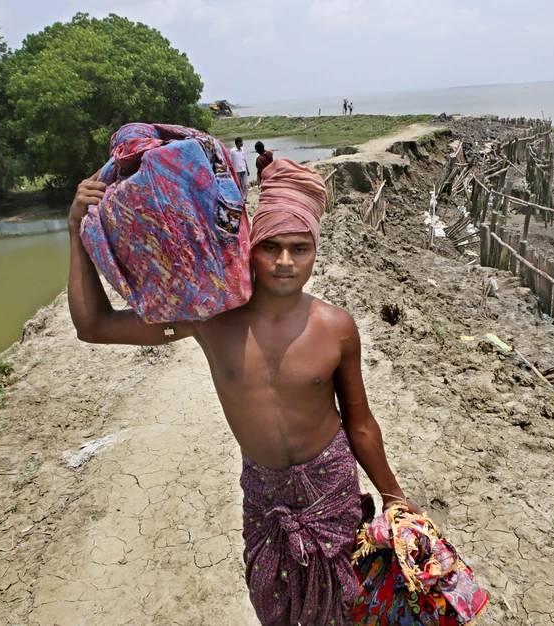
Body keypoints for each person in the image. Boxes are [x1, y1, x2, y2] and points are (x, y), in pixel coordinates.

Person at [67, 158, 418, 626]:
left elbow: (359, 421)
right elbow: (95, 326)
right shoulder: (209, 318)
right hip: (265, 494)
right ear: (248, 248)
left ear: (316, 251)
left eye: (300, 248)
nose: (286, 262)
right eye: (270, 247)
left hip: (332, 487)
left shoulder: (335, 328)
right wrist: (75, 231)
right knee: (276, 600)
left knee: (348, 599)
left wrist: (392, 494)